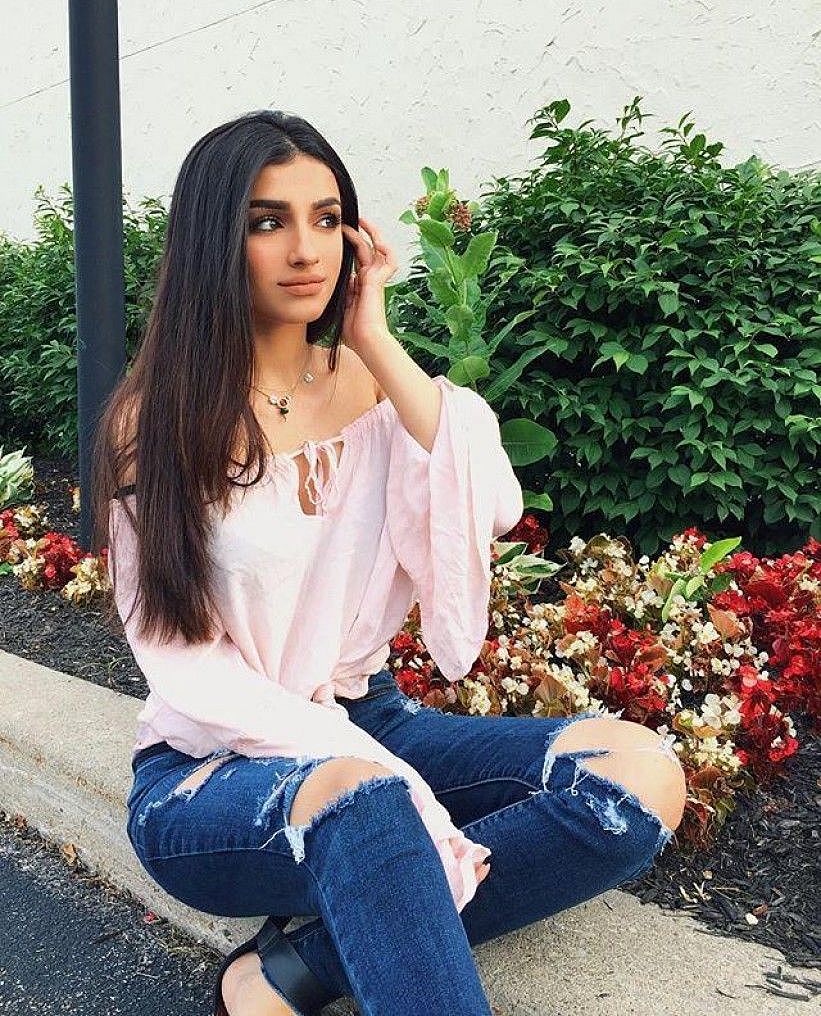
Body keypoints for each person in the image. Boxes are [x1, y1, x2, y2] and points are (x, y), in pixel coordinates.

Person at [90, 109, 688, 1016]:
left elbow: (490, 503)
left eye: (327, 218)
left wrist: (373, 336)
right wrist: (372, 773)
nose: (306, 249)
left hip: (372, 717)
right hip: (212, 764)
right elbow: (183, 662)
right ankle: (373, 870)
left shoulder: (370, 386)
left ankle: (292, 973)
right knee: (367, 798)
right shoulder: (155, 421)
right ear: (214, 240)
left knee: (638, 775)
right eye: (266, 221)